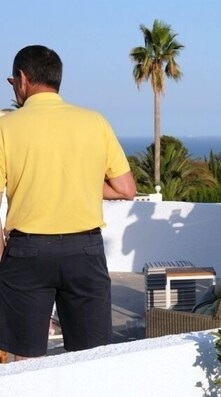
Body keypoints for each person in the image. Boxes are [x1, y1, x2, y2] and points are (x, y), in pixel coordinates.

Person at [0, 45, 136, 360]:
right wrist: (85, 184)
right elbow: (126, 188)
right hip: (85, 250)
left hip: (27, 251)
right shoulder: (94, 121)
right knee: (89, 357)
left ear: (22, 79)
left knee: (26, 358)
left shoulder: (6, 127)